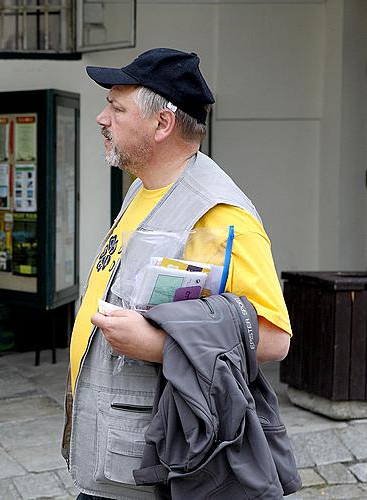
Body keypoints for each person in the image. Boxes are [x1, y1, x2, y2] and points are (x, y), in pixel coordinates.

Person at [62, 48, 293, 499]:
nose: (101, 118)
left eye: (116, 106)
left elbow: (272, 336)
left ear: (162, 124)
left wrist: (159, 344)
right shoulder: (142, 190)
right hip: (115, 452)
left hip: (155, 465)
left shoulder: (222, 214)